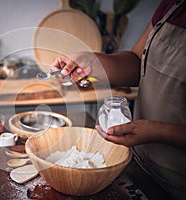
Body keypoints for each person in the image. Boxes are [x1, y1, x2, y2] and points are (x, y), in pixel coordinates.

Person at [52, 0, 186, 199]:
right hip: (143, 168)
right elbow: (137, 62)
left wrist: (155, 131)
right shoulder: (172, 5)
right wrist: (92, 61)